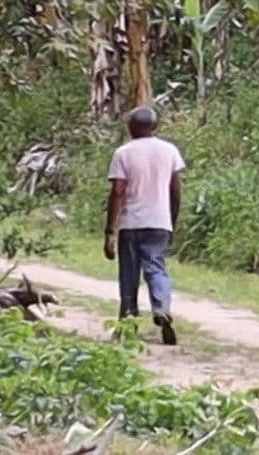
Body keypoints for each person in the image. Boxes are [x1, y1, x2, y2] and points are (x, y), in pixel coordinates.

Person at [105, 106, 185, 345]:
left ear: (130, 127)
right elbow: (175, 189)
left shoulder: (123, 153)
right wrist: (172, 219)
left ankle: (127, 323)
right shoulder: (169, 151)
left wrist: (110, 229)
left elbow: (118, 192)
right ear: (155, 126)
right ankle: (161, 306)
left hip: (131, 223)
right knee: (156, 268)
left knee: (129, 274)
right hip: (160, 222)